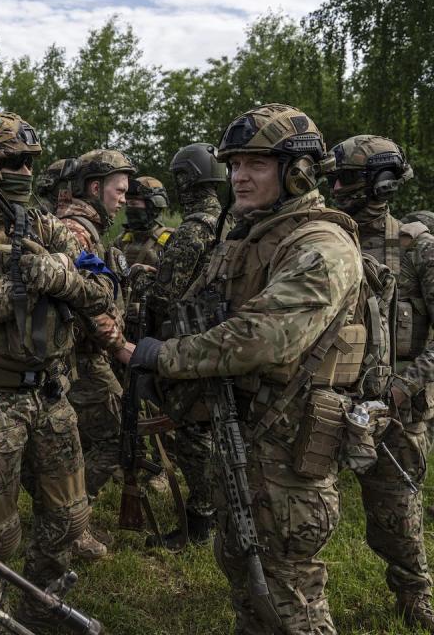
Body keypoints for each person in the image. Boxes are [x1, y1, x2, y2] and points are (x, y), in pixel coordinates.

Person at [131, 103, 363, 633]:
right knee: (244, 574)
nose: (238, 176)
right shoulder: (249, 235)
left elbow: (264, 337)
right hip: (245, 436)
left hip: (291, 444)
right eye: (234, 163)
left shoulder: (321, 245)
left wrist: (164, 358)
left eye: (256, 163)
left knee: (288, 596)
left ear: (297, 170)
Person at [0, 112, 119, 633]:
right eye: (13, 161)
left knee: (66, 518)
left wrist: (51, 271)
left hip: (51, 394)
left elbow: (103, 290)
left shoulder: (41, 222)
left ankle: (44, 611)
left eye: (31, 161)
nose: (26, 171)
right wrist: (48, 272)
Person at [328, 134, 434, 629]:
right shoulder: (328, 241)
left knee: (396, 515)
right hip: (329, 399)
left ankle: (414, 593)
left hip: (398, 405)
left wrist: (406, 384)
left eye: (346, 178)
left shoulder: (417, 247)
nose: (336, 187)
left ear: (381, 184)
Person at [146, 143, 228, 550]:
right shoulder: (237, 221)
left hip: (189, 340)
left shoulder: (193, 229)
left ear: (184, 181)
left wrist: (142, 285)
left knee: (192, 433)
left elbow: (167, 293)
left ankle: (201, 518)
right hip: (228, 340)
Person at [55, 148, 135, 560]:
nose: (124, 198)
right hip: (82, 358)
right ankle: (70, 521)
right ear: (94, 187)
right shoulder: (77, 231)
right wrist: (119, 346)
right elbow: (83, 299)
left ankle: (69, 521)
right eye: (119, 190)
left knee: (77, 442)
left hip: (86, 356)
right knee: (118, 437)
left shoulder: (88, 229)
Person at [117, 175, 173, 267]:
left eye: (134, 203)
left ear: (153, 205)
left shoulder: (171, 241)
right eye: (128, 204)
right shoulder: (122, 240)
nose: (129, 209)